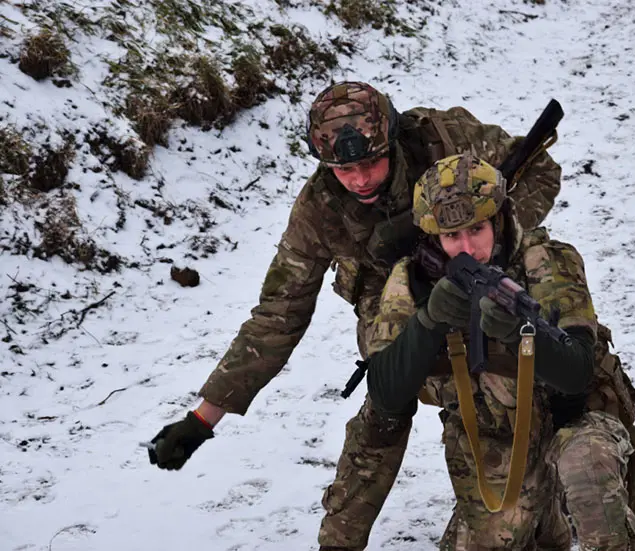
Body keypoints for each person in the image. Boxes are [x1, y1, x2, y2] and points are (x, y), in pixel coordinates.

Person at [145, 81, 563, 550]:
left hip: (489, 281)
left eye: (370, 162)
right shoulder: (319, 209)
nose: (360, 179)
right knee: (387, 398)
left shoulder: (442, 139)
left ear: (392, 139)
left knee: (511, 383)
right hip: (390, 298)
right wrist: (203, 419)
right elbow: (278, 314)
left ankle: (532, 486)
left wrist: (486, 239)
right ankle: (339, 540)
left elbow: (540, 169)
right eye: (344, 169)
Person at [365, 153, 635, 550]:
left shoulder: (546, 260)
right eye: (452, 237)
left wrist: (527, 333)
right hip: (494, 444)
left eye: (477, 229)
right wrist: (428, 321)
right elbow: (384, 392)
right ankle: (548, 523)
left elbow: (577, 372)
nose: (467, 248)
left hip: (573, 422)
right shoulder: (413, 281)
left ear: (500, 220)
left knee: (587, 468)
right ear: (433, 238)